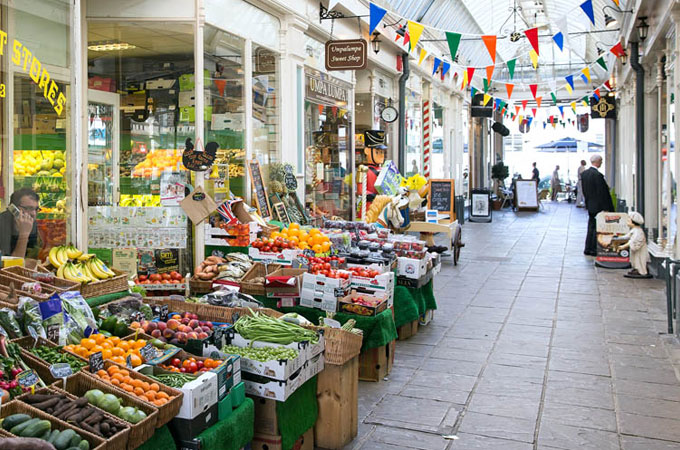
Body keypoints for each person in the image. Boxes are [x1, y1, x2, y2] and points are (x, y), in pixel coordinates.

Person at [581, 155, 614, 256]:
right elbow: (602, 193)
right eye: (601, 161)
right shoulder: (598, 175)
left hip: (590, 204)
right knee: (597, 227)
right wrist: (607, 207)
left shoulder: (584, 174)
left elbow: (584, 190)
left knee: (591, 226)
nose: (601, 163)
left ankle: (588, 247)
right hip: (599, 205)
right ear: (598, 162)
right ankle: (594, 249)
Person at [0, 188, 42, 259]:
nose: (33, 213)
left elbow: (32, 256)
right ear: (13, 208)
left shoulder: (32, 224)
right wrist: (24, 235)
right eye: (28, 208)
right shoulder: (2, 223)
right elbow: (12, 264)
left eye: (36, 209)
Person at [619, 211, 651, 278]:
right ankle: (636, 269)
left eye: (628, 220)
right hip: (635, 251)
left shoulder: (638, 232)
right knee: (635, 259)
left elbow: (633, 242)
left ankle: (641, 271)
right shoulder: (634, 230)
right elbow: (627, 236)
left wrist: (624, 246)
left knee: (639, 260)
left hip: (640, 251)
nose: (627, 221)